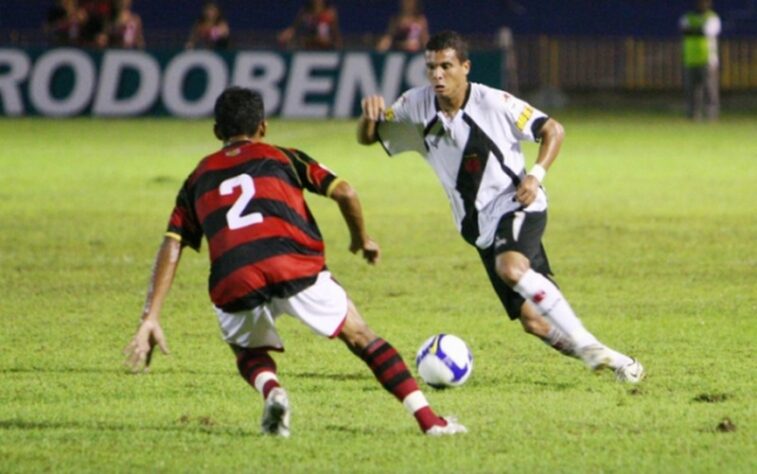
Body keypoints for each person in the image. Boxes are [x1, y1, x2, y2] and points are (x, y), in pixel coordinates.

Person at [123, 87, 466, 438]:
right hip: (295, 266)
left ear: (216, 132)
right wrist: (360, 240)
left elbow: (172, 244)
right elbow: (345, 192)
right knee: (362, 336)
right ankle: (430, 422)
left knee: (245, 349)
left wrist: (151, 316)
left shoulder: (197, 178)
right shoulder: (284, 157)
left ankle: (272, 391)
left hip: (235, 277)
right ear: (264, 127)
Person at [357, 31, 645, 383]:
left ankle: (585, 343)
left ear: (465, 67)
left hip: (518, 204)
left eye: (446, 66)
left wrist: (535, 175)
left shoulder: (494, 103)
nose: (437, 75)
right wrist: (368, 117)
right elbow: (371, 137)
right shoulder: (415, 104)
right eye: (431, 67)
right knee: (535, 322)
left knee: (511, 268)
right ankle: (619, 362)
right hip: (480, 230)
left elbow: (554, 130)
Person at [679, 0, 721, 121]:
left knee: (710, 89)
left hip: (707, 59)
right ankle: (692, 115)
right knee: (691, 90)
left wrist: (693, 31)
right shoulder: (688, 16)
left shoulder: (712, 18)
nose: (702, 4)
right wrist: (697, 31)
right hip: (690, 59)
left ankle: (711, 115)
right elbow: (684, 30)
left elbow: (706, 32)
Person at [277, 0, 342, 50]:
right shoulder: (305, 11)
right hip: (307, 44)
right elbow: (294, 27)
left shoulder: (330, 12)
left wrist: (337, 43)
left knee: (323, 37)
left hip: (325, 46)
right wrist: (286, 34)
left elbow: (335, 33)